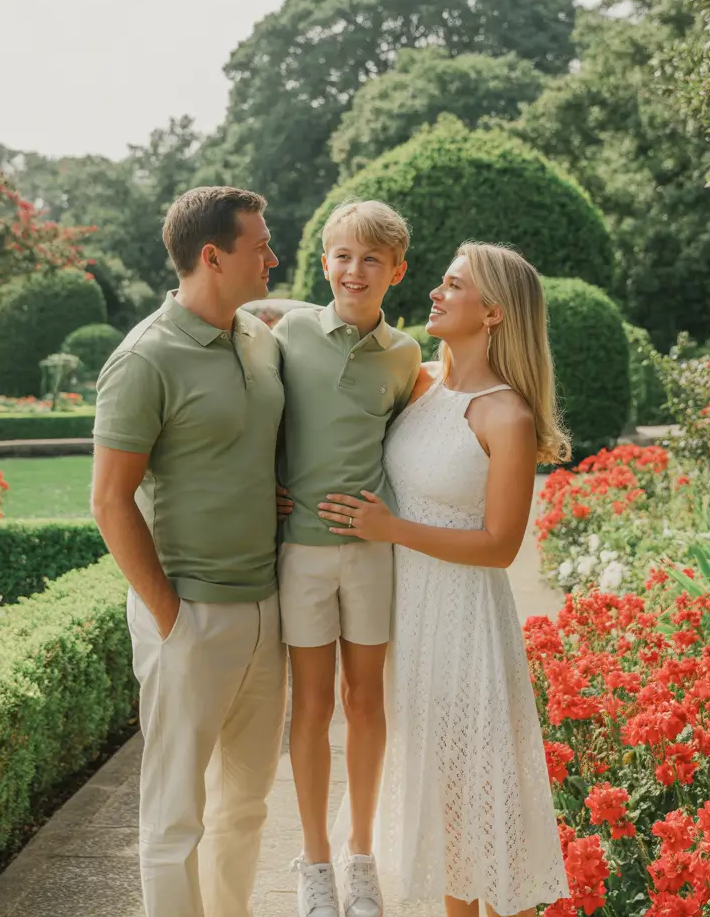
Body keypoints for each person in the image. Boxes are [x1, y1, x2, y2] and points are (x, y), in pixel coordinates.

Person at [319, 241, 572, 917]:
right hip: (406, 617)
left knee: (478, 799)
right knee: (440, 804)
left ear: (492, 312)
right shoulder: (418, 382)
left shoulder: (506, 415)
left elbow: (499, 546)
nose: (434, 292)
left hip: (464, 624)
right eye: (441, 281)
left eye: (453, 285)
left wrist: (392, 531)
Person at [91, 186, 287, 917]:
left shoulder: (258, 339)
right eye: (261, 245)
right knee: (175, 819)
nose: (274, 256)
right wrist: (172, 619)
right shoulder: (144, 358)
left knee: (247, 805)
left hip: (265, 611)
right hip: (190, 619)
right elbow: (109, 501)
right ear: (213, 256)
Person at [273, 200, 422, 917]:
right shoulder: (287, 327)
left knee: (366, 703)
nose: (353, 270)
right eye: (341, 255)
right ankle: (315, 863)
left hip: (368, 554)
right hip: (299, 551)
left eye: (371, 259)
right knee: (311, 706)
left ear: (396, 271)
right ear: (324, 260)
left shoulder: (405, 354)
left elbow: (407, 443)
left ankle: (361, 857)